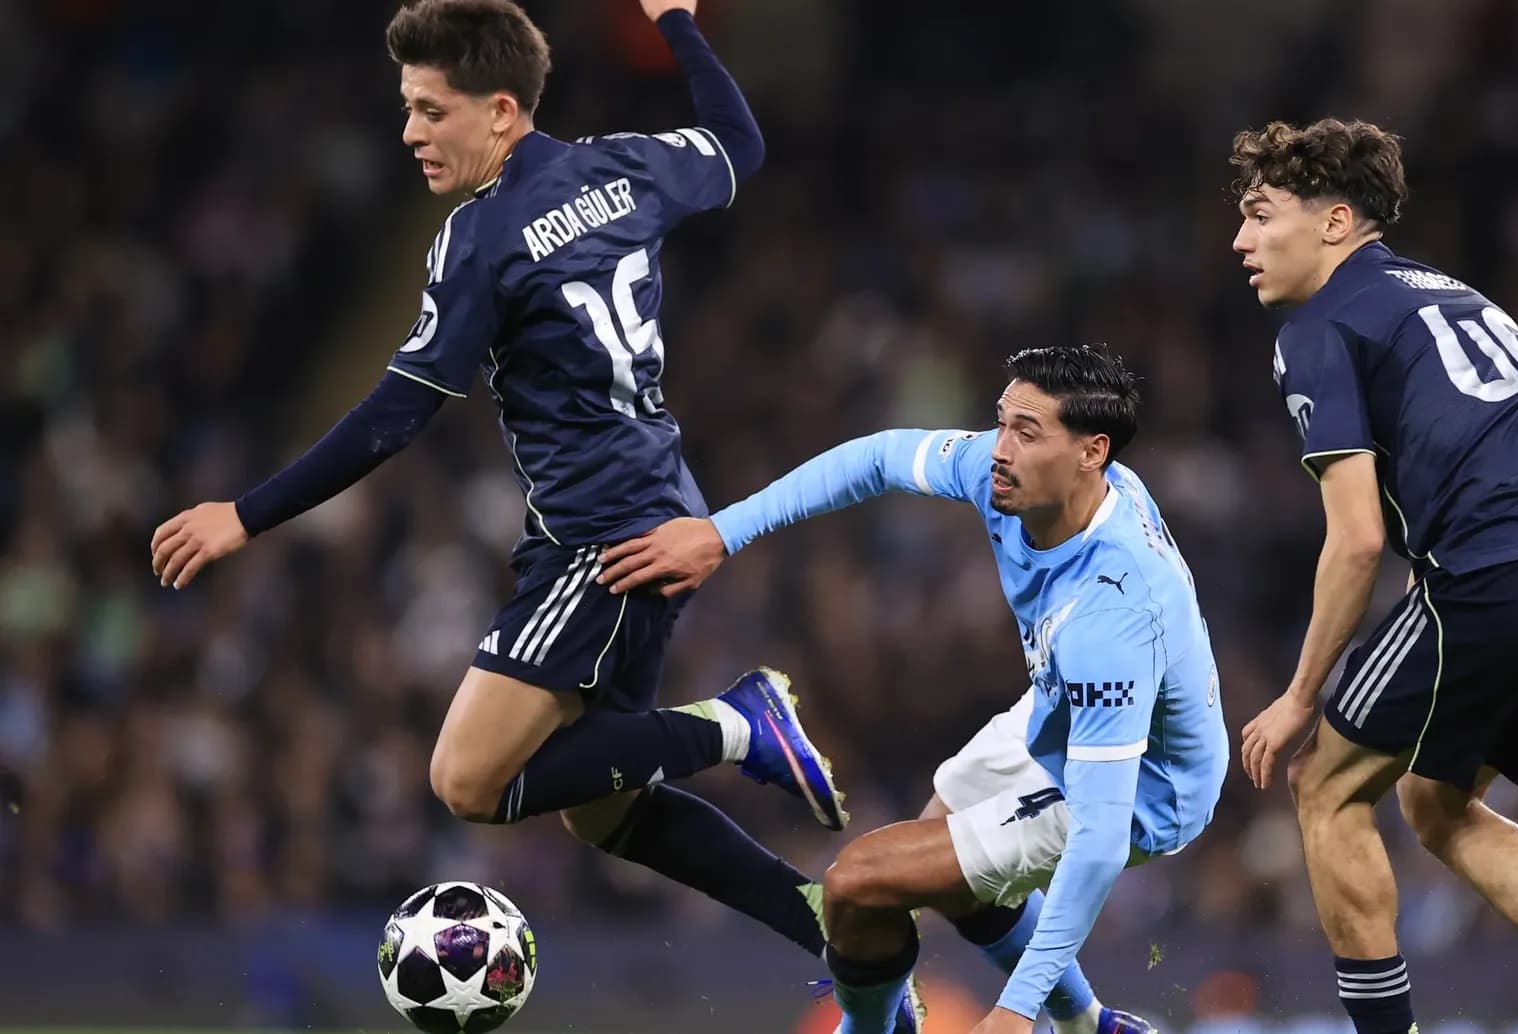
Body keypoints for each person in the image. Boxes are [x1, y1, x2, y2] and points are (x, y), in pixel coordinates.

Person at [147, 0, 864, 1004]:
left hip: (601, 535)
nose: (409, 132)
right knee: (604, 811)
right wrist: (679, 26)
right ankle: (836, 935)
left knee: (468, 781)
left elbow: (400, 411)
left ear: (498, 111)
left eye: (429, 111)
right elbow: (739, 140)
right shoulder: (624, 166)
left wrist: (246, 512)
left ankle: (740, 723)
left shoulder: (479, 238)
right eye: (406, 109)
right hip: (653, 501)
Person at [599, 345, 1226, 1034]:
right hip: (1064, 702)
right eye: (1001, 422)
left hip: (1142, 782)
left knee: (860, 883)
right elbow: (875, 459)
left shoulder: (1114, 614)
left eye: (1027, 432)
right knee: (934, 857)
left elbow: (1102, 838)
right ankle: (1087, 1025)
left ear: (1090, 452)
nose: (999, 449)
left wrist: (1014, 1012)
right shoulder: (1029, 479)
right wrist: (722, 532)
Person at [1229, 117, 1518, 1034]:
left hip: (1502, 572)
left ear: (1336, 221)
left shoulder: (1318, 327)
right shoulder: (1458, 297)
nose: (1240, 240)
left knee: (1326, 785)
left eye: (1260, 213)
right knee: (1432, 799)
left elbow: (1355, 540)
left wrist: (1299, 694)